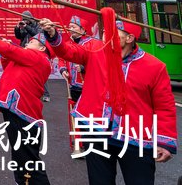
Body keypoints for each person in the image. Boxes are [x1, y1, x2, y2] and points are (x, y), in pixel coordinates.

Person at [40, 13, 177, 185]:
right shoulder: (95, 51)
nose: (106, 36)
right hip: (96, 131)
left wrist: (164, 141)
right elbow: (68, 51)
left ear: (129, 38)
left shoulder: (154, 67)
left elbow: (164, 106)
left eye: (112, 33)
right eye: (105, 32)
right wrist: (53, 34)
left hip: (136, 137)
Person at [0, 30, 53, 185]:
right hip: (17, 110)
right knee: (20, 157)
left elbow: (10, 50)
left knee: (28, 161)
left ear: (42, 48)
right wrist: (7, 53)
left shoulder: (38, 57)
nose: (27, 43)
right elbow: (8, 64)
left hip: (23, 111)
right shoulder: (31, 58)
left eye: (31, 42)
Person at [58, 15, 96, 103]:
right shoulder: (68, 44)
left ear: (82, 30)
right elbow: (61, 58)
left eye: (73, 27)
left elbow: (96, 62)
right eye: (70, 27)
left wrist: (83, 68)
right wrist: (63, 70)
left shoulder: (91, 44)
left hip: (87, 85)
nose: (70, 29)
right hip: (72, 85)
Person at [15, 10, 50, 102]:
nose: (24, 21)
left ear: (30, 18)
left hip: (37, 52)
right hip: (25, 50)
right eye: (23, 19)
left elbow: (37, 35)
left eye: (26, 19)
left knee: (40, 73)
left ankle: (46, 94)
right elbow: (19, 37)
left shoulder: (38, 25)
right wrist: (17, 28)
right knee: (25, 73)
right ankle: (27, 92)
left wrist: (26, 27)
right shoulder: (24, 25)